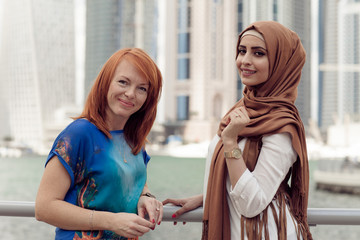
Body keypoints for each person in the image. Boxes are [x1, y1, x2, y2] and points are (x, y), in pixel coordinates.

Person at [163, 21, 313, 240]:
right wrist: (209, 196)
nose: (245, 61)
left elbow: (252, 203)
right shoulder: (243, 109)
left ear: (282, 64)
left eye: (258, 53)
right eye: (242, 51)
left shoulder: (282, 126)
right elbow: (246, 179)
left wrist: (231, 142)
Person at [35, 48, 163, 240]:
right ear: (106, 82)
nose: (130, 93)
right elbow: (44, 208)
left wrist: (146, 196)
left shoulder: (134, 139)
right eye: (123, 82)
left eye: (142, 88)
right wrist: (111, 221)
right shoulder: (79, 134)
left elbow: (134, 179)